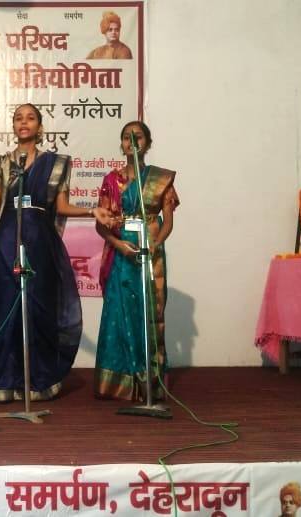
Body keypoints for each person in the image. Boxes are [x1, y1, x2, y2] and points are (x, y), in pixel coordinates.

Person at [0, 104, 112, 401]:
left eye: (30, 118)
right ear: (13, 126)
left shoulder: (57, 163)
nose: (24, 123)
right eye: (18, 118)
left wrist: (91, 211)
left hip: (40, 241)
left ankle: (37, 380)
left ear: (40, 126)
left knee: (38, 307)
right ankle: (3, 381)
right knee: (5, 306)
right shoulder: (2, 163)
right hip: (6, 239)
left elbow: (61, 206)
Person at [94, 120, 180, 403]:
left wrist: (154, 245)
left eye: (138, 137)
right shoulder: (111, 180)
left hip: (151, 255)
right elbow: (101, 226)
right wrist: (120, 246)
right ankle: (119, 383)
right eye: (126, 138)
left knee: (149, 313)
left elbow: (168, 222)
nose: (132, 141)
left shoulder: (160, 179)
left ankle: (149, 382)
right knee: (120, 315)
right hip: (122, 256)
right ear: (122, 145)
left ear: (148, 143)